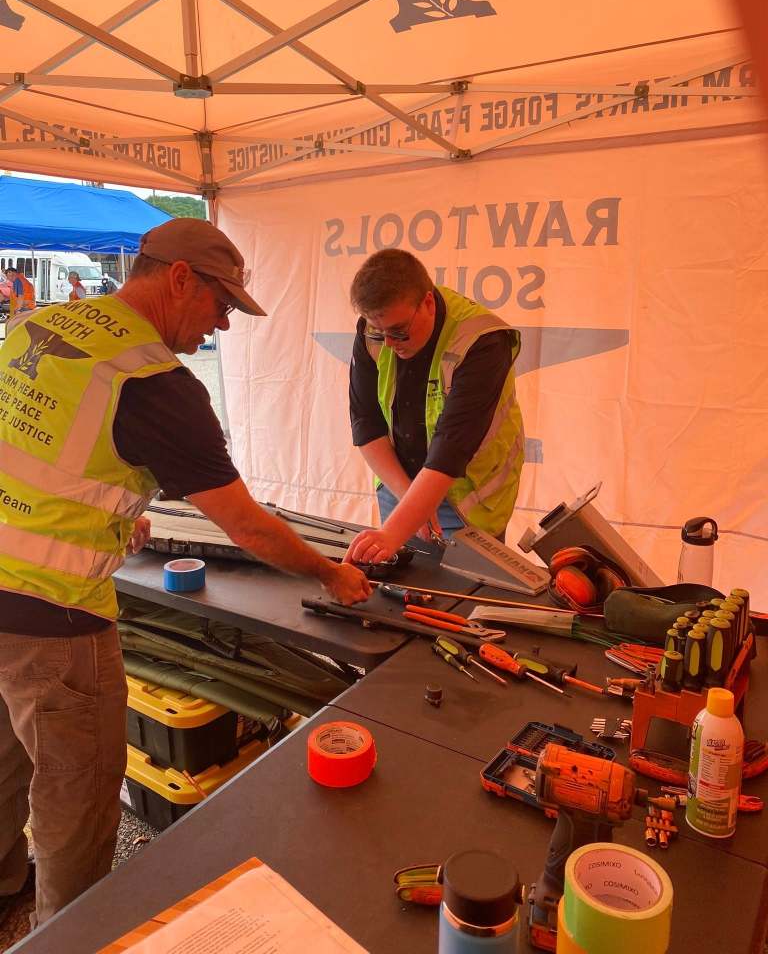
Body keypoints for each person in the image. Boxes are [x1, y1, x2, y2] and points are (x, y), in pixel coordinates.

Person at [0, 218, 371, 929]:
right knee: (76, 798)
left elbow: (36, 443)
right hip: (53, 616)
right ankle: (67, 935)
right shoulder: (155, 383)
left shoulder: (38, 326)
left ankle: (4, 891)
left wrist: (114, 514)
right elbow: (247, 527)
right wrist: (331, 575)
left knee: (3, 762)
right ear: (178, 279)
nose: (223, 325)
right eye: (221, 304)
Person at [345, 248, 524, 566]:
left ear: (427, 303)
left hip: (468, 499)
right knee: (401, 585)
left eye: (399, 331)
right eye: (379, 333)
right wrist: (407, 500)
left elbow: (451, 448)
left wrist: (394, 531)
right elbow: (366, 423)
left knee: (467, 590)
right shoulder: (376, 329)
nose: (389, 343)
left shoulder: (482, 341)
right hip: (399, 483)